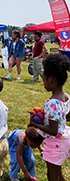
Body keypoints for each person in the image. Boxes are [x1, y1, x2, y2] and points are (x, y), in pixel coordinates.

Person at [28, 53, 70, 181]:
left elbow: (53, 130)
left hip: (55, 143)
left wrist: (35, 125)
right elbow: (67, 117)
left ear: (51, 80)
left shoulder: (52, 103)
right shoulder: (66, 96)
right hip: (65, 139)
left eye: (44, 80)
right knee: (58, 173)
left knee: (52, 176)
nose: (44, 83)